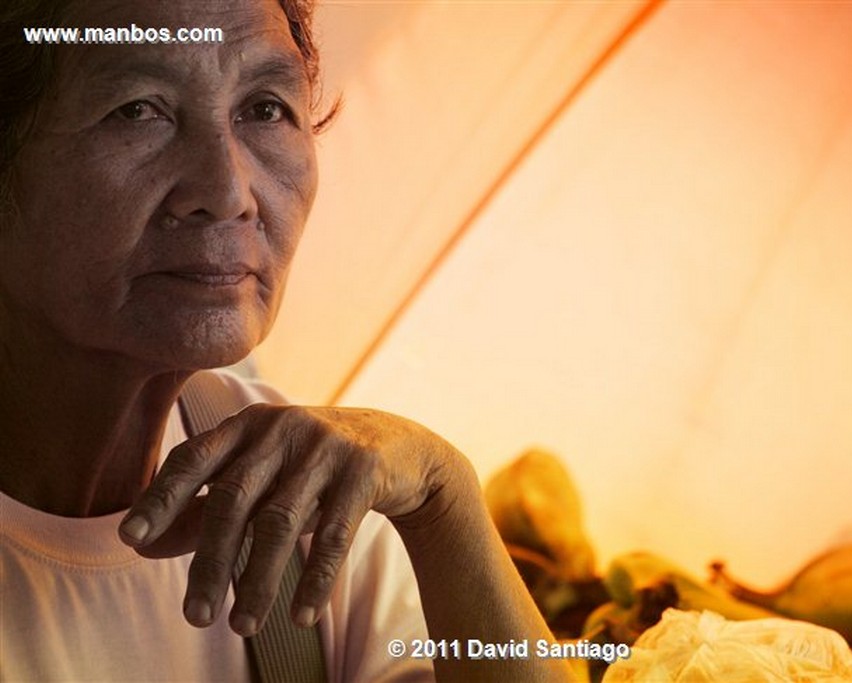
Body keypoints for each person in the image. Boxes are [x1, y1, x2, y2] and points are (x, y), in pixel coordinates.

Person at [0, 1, 575, 681]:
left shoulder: (308, 503)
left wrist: (442, 498)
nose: (227, 191)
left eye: (266, 109)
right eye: (137, 109)